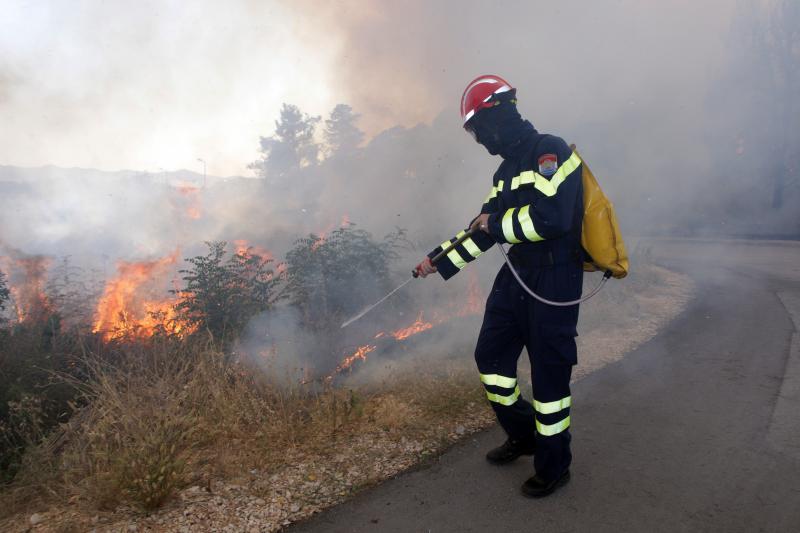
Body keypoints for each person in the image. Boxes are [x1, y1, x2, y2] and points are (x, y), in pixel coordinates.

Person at [415, 75, 585, 498]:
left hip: (554, 277)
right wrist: (437, 261)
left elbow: (551, 220)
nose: (478, 139)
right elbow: (483, 228)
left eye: (477, 129)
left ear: (497, 115)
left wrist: (495, 223)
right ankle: (524, 434)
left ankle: (554, 464)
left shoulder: (551, 151)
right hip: (515, 277)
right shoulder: (504, 171)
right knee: (490, 358)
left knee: (549, 378)